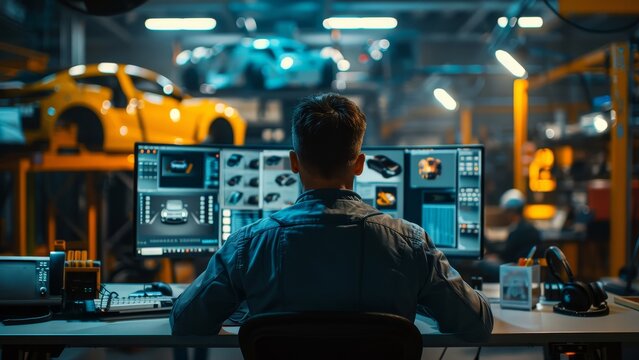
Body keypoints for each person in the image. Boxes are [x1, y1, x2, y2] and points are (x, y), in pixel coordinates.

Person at [170, 93, 493, 341]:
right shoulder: (409, 241)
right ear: (359, 164)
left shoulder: (248, 243)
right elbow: (477, 323)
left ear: (294, 162)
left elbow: (187, 322)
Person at [488, 189, 542, 264]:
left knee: (482, 264)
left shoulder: (517, 232)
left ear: (512, 212)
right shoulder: (530, 228)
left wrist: (486, 242)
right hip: (523, 267)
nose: (506, 215)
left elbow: (506, 254)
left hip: (513, 268)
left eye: (506, 212)